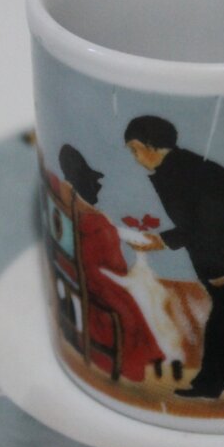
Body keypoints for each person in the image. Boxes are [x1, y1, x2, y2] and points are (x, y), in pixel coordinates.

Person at [123, 116, 224, 398]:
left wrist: (218, 269)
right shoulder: (184, 168)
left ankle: (212, 383)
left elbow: (210, 224)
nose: (135, 157)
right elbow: (201, 221)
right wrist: (163, 240)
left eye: (135, 149)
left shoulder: (184, 174)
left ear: (151, 146)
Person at [55, 144, 164, 382]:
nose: (99, 187)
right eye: (95, 183)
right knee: (136, 303)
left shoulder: (84, 211)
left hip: (100, 274)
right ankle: (137, 363)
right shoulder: (89, 217)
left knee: (142, 296)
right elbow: (105, 251)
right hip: (99, 278)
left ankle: (151, 359)